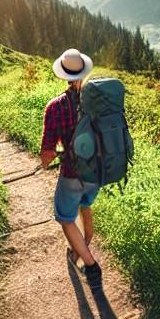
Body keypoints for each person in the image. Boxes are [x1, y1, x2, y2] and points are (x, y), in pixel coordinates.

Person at [40, 48, 102, 285]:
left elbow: (47, 153)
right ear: (84, 73)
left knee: (65, 217)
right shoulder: (98, 104)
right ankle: (79, 249)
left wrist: (49, 158)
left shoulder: (55, 108)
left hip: (72, 173)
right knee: (85, 207)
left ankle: (91, 265)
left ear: (64, 75)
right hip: (97, 172)